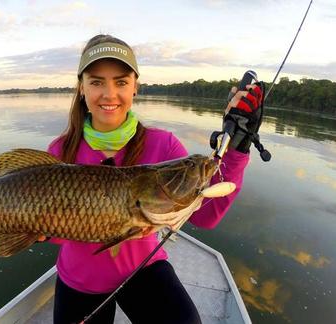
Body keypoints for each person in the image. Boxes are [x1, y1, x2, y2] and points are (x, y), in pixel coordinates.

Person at [43, 34, 261, 324]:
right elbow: (55, 236)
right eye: (96, 81)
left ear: (135, 87)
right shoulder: (59, 151)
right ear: (81, 88)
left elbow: (205, 215)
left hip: (143, 269)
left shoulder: (164, 145)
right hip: (80, 279)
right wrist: (41, 229)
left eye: (121, 82)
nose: (109, 94)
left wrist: (238, 148)